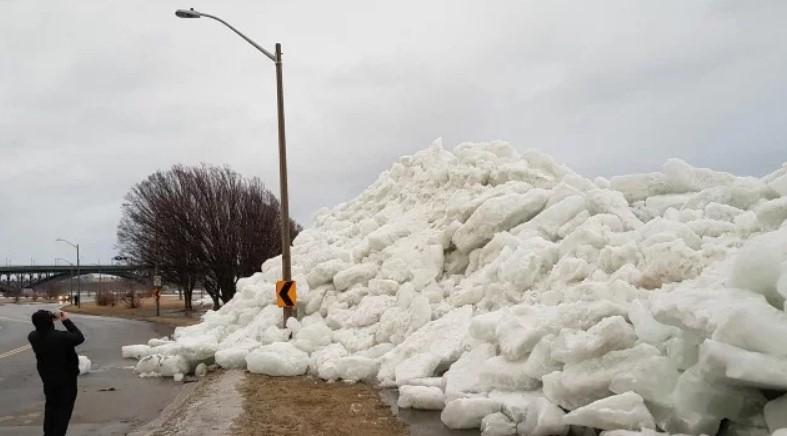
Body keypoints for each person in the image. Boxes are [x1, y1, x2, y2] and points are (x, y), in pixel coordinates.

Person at [28, 310, 85, 436]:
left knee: (51, 409)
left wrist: (49, 320)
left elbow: (44, 328)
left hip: (48, 379)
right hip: (66, 380)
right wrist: (65, 320)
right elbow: (79, 337)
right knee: (64, 411)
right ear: (49, 322)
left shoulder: (33, 336)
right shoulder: (60, 337)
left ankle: (48, 433)